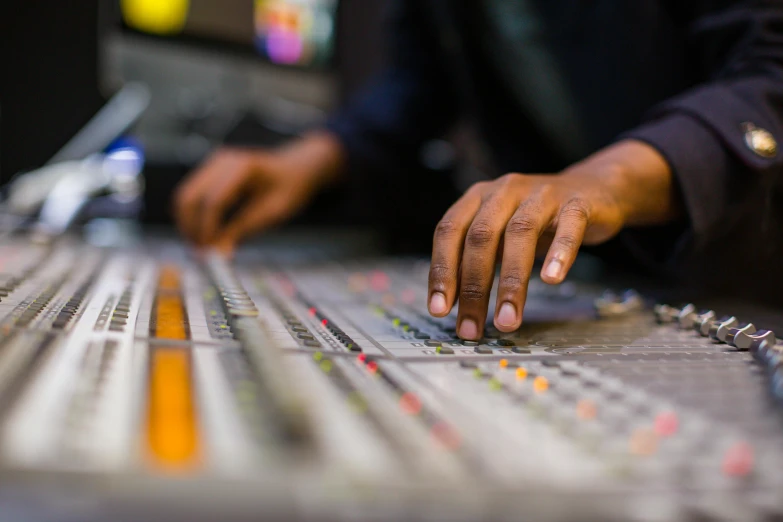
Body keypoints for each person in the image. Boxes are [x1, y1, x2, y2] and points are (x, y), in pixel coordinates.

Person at [174, 1, 783, 340]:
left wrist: (604, 181)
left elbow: (768, 69)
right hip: (612, 283)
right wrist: (307, 161)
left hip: (750, 271)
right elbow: (415, 84)